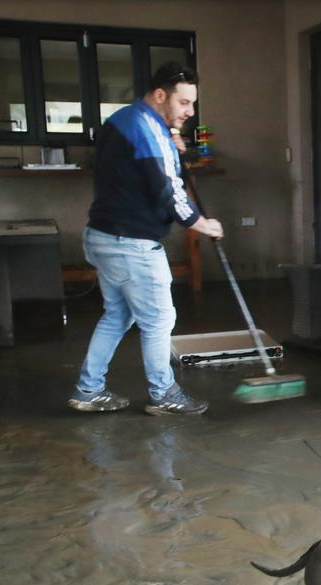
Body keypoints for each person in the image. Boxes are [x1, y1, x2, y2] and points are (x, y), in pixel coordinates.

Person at [68, 62, 223, 416]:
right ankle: (164, 394)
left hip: (104, 236)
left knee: (117, 315)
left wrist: (171, 148)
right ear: (159, 95)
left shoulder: (126, 120)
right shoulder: (149, 131)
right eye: (183, 103)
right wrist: (201, 223)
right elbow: (167, 192)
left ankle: (88, 390)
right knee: (158, 320)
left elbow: (143, 170)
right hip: (131, 243)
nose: (190, 111)